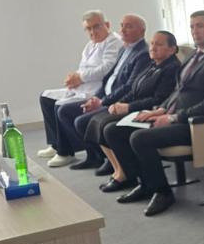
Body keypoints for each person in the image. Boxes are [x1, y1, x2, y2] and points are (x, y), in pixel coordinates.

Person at [102, 10, 204, 216]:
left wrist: (172, 117)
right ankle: (145, 183)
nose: (195, 31)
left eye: (200, 26)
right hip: (174, 114)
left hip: (194, 124)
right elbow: (177, 91)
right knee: (113, 130)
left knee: (139, 138)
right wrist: (159, 110)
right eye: (192, 27)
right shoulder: (193, 56)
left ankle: (162, 192)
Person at [91, 31, 182, 193]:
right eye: (152, 43)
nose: (153, 47)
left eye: (159, 44)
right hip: (140, 107)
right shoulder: (152, 64)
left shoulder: (172, 68)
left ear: (172, 49)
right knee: (98, 121)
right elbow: (133, 90)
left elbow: (159, 99)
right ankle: (120, 170)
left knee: (110, 127)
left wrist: (128, 107)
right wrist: (120, 103)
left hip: (151, 110)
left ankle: (131, 176)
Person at [63, 14, 151, 171]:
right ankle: (97, 157)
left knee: (82, 121)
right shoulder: (124, 49)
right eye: (122, 25)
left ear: (142, 31)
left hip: (121, 101)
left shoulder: (143, 53)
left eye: (129, 26)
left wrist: (103, 102)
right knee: (71, 113)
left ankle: (112, 161)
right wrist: (97, 98)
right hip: (107, 97)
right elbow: (108, 79)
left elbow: (129, 86)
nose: (123, 30)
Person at [37, 10, 122, 162]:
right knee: (45, 97)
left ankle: (65, 152)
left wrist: (80, 78)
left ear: (107, 25)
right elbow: (83, 67)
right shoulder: (90, 45)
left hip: (96, 90)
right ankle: (56, 144)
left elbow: (106, 68)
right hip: (81, 87)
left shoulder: (113, 42)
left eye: (96, 26)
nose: (92, 32)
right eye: (88, 28)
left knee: (60, 106)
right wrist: (72, 78)